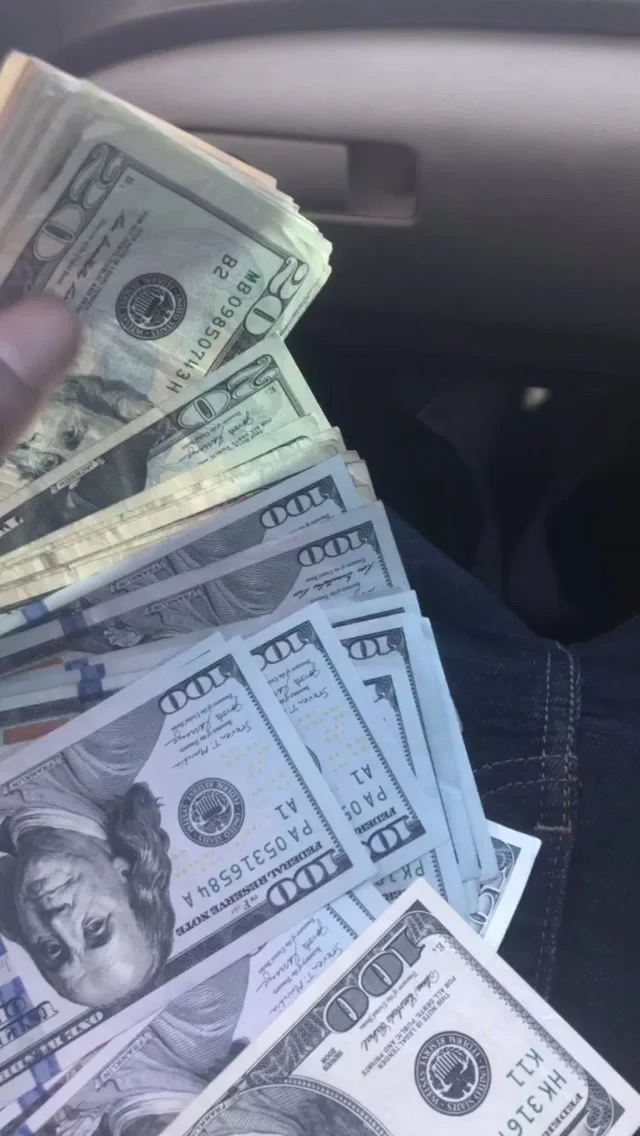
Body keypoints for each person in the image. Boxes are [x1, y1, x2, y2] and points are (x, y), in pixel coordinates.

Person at [0, 697, 174, 1010]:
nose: (58, 923)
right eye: (95, 927)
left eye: (52, 950)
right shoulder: (113, 743)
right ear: (125, 874)